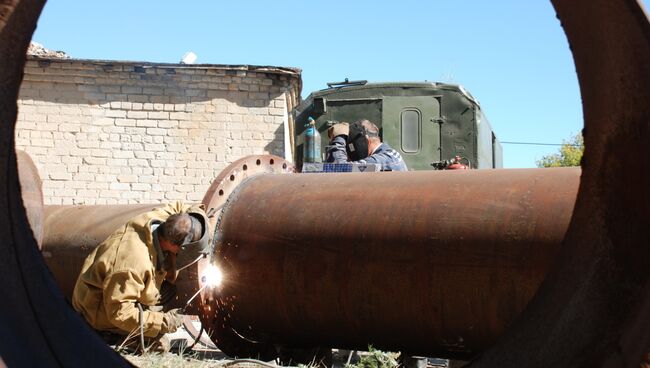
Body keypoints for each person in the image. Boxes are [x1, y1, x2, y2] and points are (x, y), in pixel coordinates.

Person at [71, 201, 210, 347]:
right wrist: (164, 322)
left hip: (119, 291)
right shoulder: (132, 264)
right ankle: (107, 336)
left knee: (168, 289)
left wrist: (199, 217)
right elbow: (120, 314)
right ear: (175, 245)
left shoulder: (162, 219)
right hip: (97, 312)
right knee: (160, 346)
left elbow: (182, 206)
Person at [325, 119, 408, 171]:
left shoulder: (386, 159)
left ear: (365, 142)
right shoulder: (388, 156)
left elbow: (338, 170)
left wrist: (340, 137)